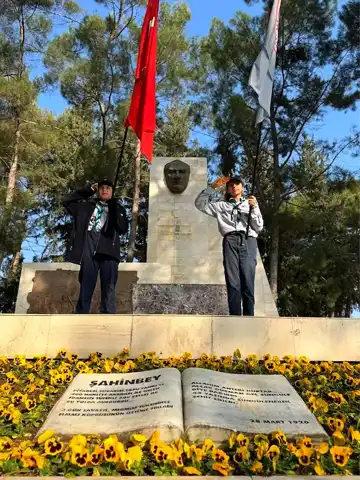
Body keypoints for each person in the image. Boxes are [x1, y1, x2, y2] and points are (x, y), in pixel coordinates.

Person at [195, 175, 263, 316]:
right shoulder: (221, 205)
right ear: (227, 189)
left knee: (248, 279)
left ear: (242, 187)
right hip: (230, 239)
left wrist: (254, 208)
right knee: (232, 280)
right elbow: (200, 204)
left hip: (248, 239)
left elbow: (259, 226)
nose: (234, 187)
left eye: (237, 184)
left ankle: (250, 317)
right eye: (231, 185)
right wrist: (212, 187)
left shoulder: (250, 203)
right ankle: (235, 317)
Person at [63, 179, 128, 314]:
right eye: (102, 188)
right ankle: (81, 315)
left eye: (108, 188)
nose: (105, 190)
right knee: (86, 284)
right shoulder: (86, 206)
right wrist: (88, 190)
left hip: (109, 248)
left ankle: (107, 316)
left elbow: (123, 229)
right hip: (88, 245)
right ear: (98, 191)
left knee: (109, 286)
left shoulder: (118, 209)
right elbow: (67, 202)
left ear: (112, 192)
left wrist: (114, 207)